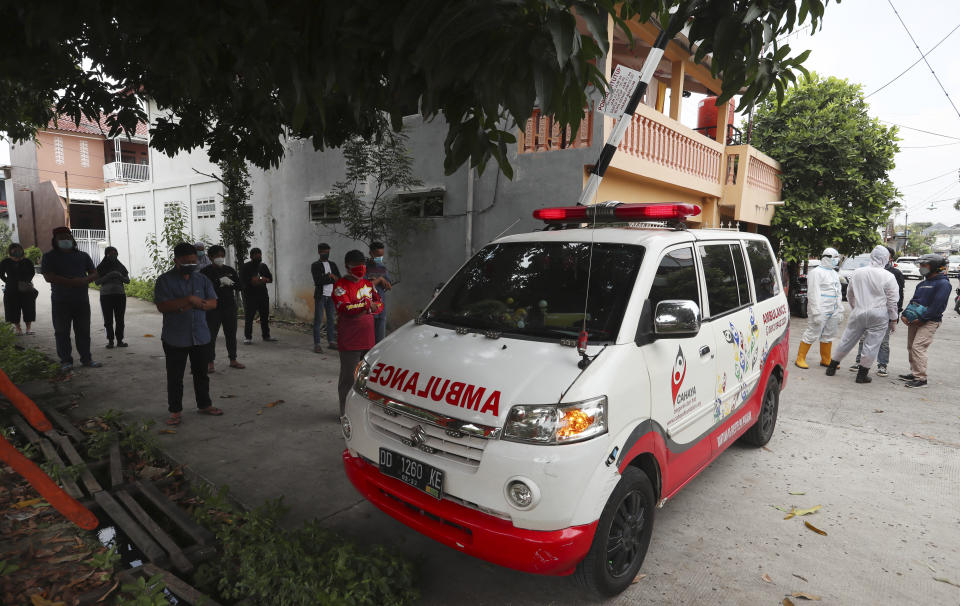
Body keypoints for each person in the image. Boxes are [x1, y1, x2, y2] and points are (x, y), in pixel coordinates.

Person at [154, 242, 223, 426]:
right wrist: (188, 300)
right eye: (187, 262)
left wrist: (193, 304)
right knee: (175, 376)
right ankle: (175, 411)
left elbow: (213, 303)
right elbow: (163, 306)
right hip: (175, 337)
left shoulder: (201, 280)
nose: (191, 265)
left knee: (201, 374)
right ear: (176, 260)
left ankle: (204, 405)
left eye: (194, 261)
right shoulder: (164, 281)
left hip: (200, 336)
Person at [825, 245, 898, 384]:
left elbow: (850, 294)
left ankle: (832, 367)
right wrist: (893, 319)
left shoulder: (858, 272)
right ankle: (862, 375)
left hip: (859, 311)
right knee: (872, 344)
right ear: (885, 259)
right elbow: (892, 300)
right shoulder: (888, 276)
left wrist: (855, 308)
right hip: (879, 314)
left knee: (847, 339)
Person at [40, 227, 102, 370]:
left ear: (72, 239)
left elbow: (95, 273)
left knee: (83, 331)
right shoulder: (49, 257)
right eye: (61, 238)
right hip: (60, 301)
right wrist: (71, 282)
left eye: (67, 237)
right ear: (55, 241)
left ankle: (86, 359)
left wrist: (84, 280)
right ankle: (66, 361)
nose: (65, 240)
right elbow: (48, 276)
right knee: (62, 331)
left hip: (81, 300)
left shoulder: (83, 256)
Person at [334, 249, 382, 416]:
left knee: (366, 379)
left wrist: (366, 307)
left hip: (368, 339)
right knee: (348, 379)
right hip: (350, 340)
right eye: (356, 266)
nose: (360, 268)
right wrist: (366, 306)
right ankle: (345, 413)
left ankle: (362, 412)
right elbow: (345, 308)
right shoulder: (340, 286)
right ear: (347, 267)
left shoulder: (368, 284)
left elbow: (379, 304)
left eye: (362, 265)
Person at [899, 253, 952, 388]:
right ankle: (915, 372)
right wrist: (905, 314)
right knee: (911, 347)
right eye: (920, 265)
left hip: (929, 321)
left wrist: (922, 319)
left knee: (918, 347)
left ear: (933, 267)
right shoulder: (922, 284)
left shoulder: (943, 283)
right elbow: (914, 301)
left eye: (924, 265)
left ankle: (921, 379)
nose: (921, 268)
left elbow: (938, 306)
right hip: (915, 320)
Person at [850, 246, 904, 376]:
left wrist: (895, 316)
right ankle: (859, 362)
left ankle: (882, 365)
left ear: (889, 258)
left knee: (883, 341)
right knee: (863, 338)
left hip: (883, 312)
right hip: (866, 310)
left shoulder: (894, 274)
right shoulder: (866, 271)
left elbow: (897, 295)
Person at [795, 247, 842, 369]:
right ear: (827, 258)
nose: (837, 260)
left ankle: (826, 359)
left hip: (833, 308)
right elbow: (813, 293)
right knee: (812, 332)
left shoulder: (834, 273)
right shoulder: (816, 273)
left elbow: (838, 292)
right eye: (835, 258)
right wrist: (815, 312)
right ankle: (800, 358)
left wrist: (840, 309)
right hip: (820, 308)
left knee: (829, 334)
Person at [200, 245, 245, 371]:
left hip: (229, 307)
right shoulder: (205, 272)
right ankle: (210, 362)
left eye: (222, 256)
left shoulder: (230, 270)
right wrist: (218, 283)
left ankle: (233, 359)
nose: (220, 258)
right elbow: (201, 289)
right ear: (210, 257)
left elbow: (240, 286)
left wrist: (231, 283)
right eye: (217, 256)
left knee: (231, 334)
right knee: (211, 335)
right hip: (213, 308)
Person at [239, 247, 277, 344]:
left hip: (263, 295)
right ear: (251, 256)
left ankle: (266, 335)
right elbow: (248, 280)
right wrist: (261, 278)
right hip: (250, 296)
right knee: (249, 317)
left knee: (264, 316)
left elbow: (270, 279)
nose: (258, 256)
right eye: (256, 254)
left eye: (259, 254)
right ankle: (248, 337)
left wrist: (261, 279)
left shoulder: (263, 266)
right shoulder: (246, 266)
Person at [95, 246, 130, 348]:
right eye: (111, 254)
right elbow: (97, 282)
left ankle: (120, 341)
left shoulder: (120, 266)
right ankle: (110, 341)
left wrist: (119, 276)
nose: (113, 256)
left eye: (115, 254)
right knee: (108, 319)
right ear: (106, 255)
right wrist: (108, 276)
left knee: (120, 319)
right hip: (106, 296)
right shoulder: (101, 267)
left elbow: (127, 281)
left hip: (120, 295)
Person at [0, 243, 38, 335]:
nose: (17, 251)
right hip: (11, 290)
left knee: (28, 308)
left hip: (25, 289)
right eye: (14, 250)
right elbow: (1, 274)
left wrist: (26, 281)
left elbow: (32, 273)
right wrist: (8, 282)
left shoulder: (27, 261)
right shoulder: (5, 262)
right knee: (13, 309)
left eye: (19, 249)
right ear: (10, 251)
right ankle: (18, 329)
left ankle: (28, 329)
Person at [311, 243, 340, 353]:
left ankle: (331, 341)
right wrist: (331, 277)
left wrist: (330, 277)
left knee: (331, 319)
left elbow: (339, 279)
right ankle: (317, 344)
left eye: (327, 252)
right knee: (318, 320)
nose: (326, 254)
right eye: (324, 252)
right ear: (319, 252)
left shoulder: (332, 264)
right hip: (320, 295)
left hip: (332, 296)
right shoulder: (315, 265)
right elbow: (318, 281)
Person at [365, 241, 392, 343]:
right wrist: (380, 280)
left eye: (381, 256)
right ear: (371, 253)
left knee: (380, 341)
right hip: (369, 309)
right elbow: (364, 286)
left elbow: (389, 285)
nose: (380, 258)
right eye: (378, 256)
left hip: (381, 309)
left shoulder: (382, 267)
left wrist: (378, 281)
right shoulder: (364, 268)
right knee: (368, 340)